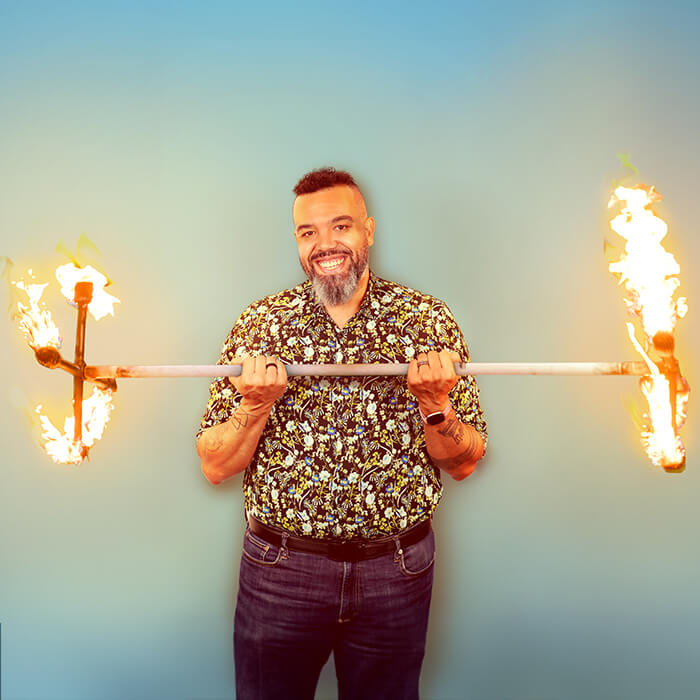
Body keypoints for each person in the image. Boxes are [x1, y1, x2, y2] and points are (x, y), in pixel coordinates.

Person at [196, 167, 487, 700]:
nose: (325, 244)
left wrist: (435, 404)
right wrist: (254, 407)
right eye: (308, 233)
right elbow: (214, 465)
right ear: (297, 242)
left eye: (340, 226)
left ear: (368, 231)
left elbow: (464, 461)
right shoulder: (261, 326)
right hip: (281, 569)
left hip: (396, 568)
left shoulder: (426, 320)